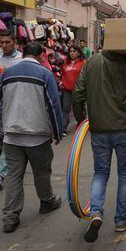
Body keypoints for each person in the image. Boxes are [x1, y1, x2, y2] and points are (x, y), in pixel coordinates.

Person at [73, 41, 126, 243]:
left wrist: (81, 120)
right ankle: (120, 220)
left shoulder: (91, 61)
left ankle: (96, 212)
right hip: (123, 128)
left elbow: (78, 93)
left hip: (99, 128)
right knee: (125, 173)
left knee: (100, 172)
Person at [1, 42, 63, 233]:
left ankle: (10, 217)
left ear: (24, 53)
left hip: (11, 136)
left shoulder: (7, 74)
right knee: (42, 172)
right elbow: (53, 105)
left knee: (13, 176)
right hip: (37, 136)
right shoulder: (45, 74)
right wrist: (57, 132)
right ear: (40, 56)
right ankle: (46, 201)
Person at [0, 29, 23, 191]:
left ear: (15, 42)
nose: (4, 45)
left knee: (7, 140)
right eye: (1, 42)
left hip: (14, 106)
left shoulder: (22, 60)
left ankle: (1, 174)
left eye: (7, 42)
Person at [61, 45, 86, 136]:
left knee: (78, 109)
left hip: (78, 90)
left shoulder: (83, 63)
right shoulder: (65, 62)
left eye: (74, 51)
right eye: (70, 51)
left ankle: (81, 126)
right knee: (66, 108)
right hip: (66, 89)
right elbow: (62, 74)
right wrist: (61, 82)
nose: (72, 53)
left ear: (78, 53)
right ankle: (63, 128)